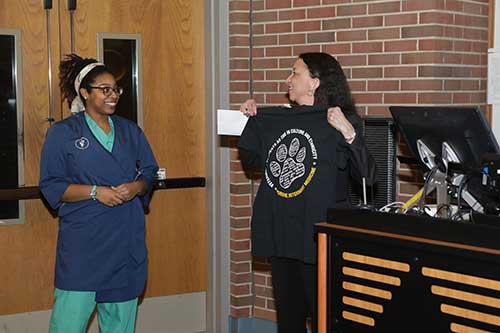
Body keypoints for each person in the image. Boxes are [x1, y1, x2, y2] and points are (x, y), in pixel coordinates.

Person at [237, 52, 377, 333]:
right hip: (283, 234)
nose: (287, 80)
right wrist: (248, 120)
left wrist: (349, 133)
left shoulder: (341, 121)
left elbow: (368, 177)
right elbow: (252, 162)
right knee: (289, 321)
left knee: (325, 319)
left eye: (294, 73)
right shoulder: (278, 118)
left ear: (315, 82)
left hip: (318, 240)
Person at [39, 54, 158, 333]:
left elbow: (150, 171)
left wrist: (136, 187)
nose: (113, 95)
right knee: (68, 325)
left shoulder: (131, 131)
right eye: (104, 89)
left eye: (115, 89)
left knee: (120, 325)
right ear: (84, 93)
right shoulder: (62, 133)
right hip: (84, 246)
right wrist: (95, 192)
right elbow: (51, 185)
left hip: (125, 242)